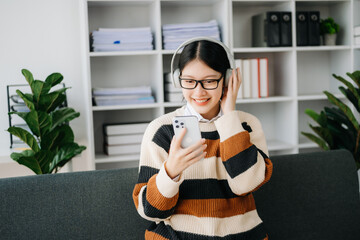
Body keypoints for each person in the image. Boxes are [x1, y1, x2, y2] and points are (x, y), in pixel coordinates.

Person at [132, 38, 273, 240]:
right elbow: (150, 211)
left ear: (227, 79)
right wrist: (170, 172)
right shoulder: (161, 130)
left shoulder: (247, 125)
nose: (198, 92)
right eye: (189, 81)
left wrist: (229, 117)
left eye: (209, 81)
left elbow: (245, 184)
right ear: (176, 80)